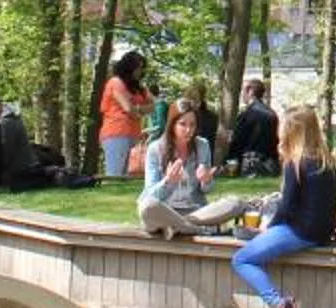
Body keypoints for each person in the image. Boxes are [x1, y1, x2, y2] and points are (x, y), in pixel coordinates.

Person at [231, 104, 336, 308]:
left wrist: (268, 228)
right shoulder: (327, 163)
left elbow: (287, 207)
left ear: (291, 131)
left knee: (242, 259)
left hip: (299, 231)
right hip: (322, 232)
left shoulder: (296, 163)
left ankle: (280, 305)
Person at [139, 99, 260, 238]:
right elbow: (151, 195)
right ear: (172, 124)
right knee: (147, 207)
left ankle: (179, 227)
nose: (188, 130)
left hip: (195, 213)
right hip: (165, 211)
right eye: (182, 124)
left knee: (236, 203)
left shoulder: (202, 145)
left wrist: (206, 181)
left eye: (192, 125)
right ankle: (196, 230)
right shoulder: (155, 149)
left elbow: (206, 190)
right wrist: (168, 182)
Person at [96, 52, 149, 179]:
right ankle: (109, 197)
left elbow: (154, 104)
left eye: (141, 68)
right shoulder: (115, 82)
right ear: (128, 67)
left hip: (132, 134)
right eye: (137, 68)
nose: (139, 71)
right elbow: (128, 108)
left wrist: (137, 110)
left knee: (125, 176)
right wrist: (138, 110)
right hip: (116, 133)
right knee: (115, 174)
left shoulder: (138, 88)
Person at [226, 77, 279, 178]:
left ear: (250, 91)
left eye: (243, 91)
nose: (242, 95)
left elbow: (238, 141)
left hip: (251, 164)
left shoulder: (247, 114)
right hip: (271, 163)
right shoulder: (272, 114)